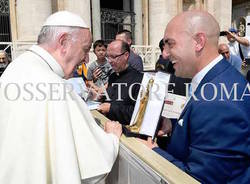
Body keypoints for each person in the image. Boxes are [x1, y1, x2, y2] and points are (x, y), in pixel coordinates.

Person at [0, 11, 122, 184]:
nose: (86, 58)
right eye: (85, 49)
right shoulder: (56, 88)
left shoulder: (16, 67)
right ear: (64, 42)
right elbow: (92, 167)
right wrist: (112, 139)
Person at [140, 10, 250, 183]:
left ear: (198, 42)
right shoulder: (216, 79)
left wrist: (153, 152)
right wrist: (173, 125)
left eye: (170, 44)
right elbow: (205, 128)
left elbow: (200, 179)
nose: (166, 54)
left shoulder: (219, 102)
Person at [98, 40, 143, 125]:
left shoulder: (139, 80)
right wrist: (100, 98)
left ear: (126, 55)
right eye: (108, 57)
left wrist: (111, 109)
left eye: (114, 57)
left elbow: (138, 113)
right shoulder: (112, 77)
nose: (110, 61)